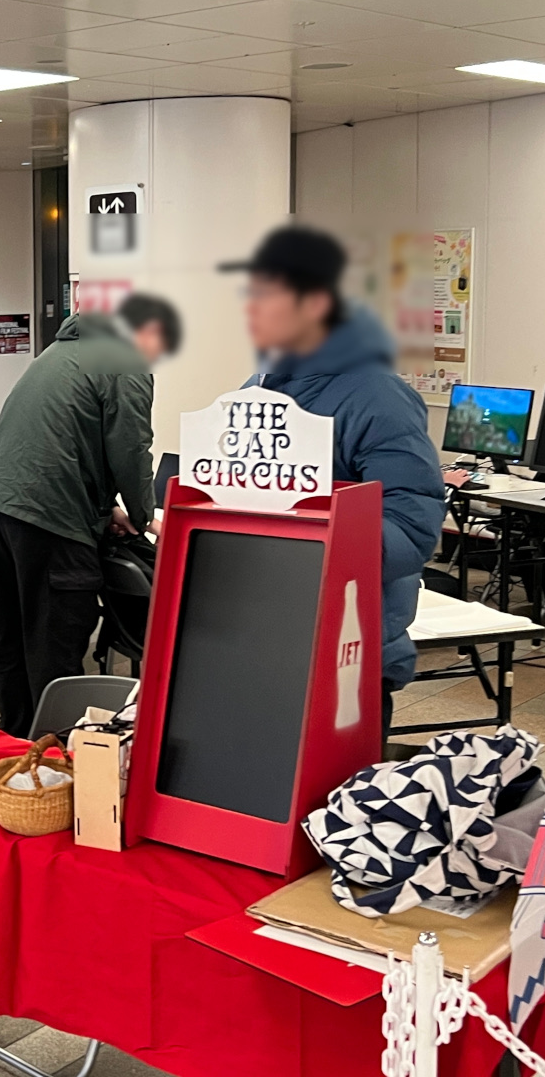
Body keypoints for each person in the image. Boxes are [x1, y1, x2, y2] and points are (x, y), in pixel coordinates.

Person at [225, 225, 445, 728]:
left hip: (345, 648)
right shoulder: (258, 388)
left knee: (337, 780)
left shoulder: (378, 396)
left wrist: (311, 547)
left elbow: (412, 527)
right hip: (263, 641)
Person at [0, 295, 180, 738]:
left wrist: (107, 511)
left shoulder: (57, 353)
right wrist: (146, 517)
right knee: (54, 637)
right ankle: (56, 752)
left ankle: (15, 743)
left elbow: (63, 442)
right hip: (50, 518)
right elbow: (130, 448)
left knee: (10, 633)